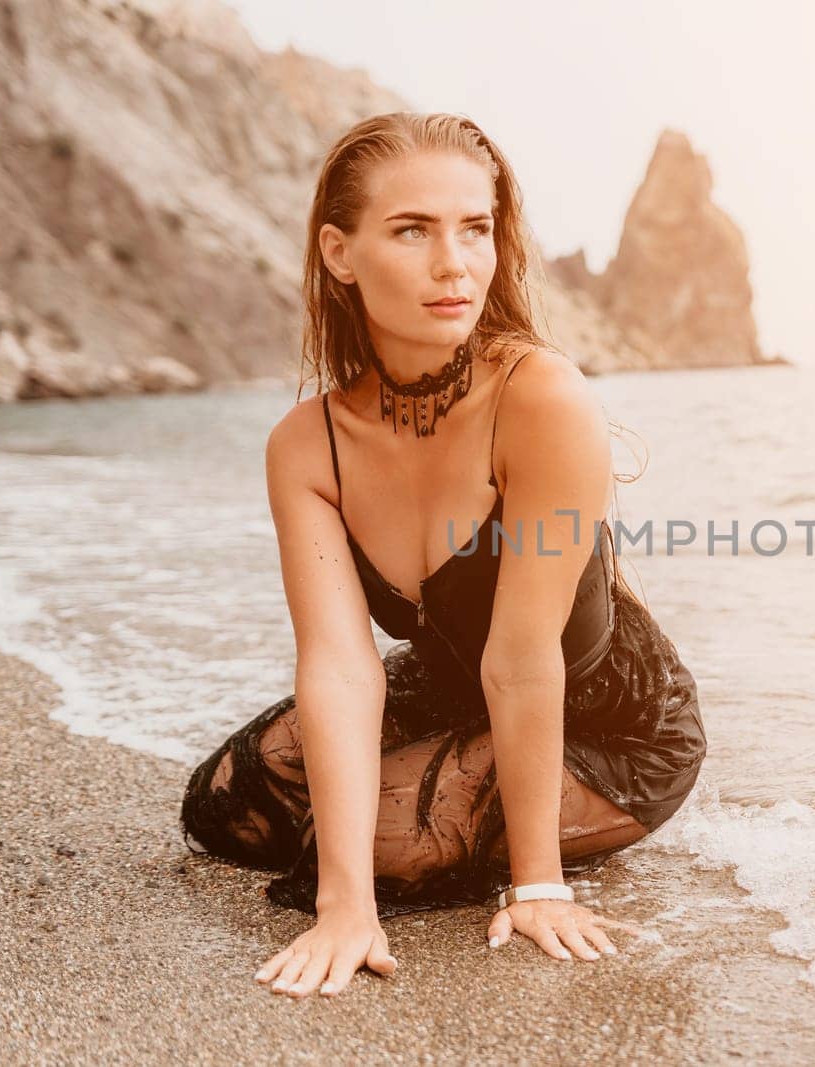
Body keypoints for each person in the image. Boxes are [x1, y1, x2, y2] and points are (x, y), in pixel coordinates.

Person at [177, 112, 707, 998]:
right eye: (412, 230)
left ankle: (510, 825)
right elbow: (341, 667)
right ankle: (400, 818)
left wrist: (538, 885)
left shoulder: (540, 398)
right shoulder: (307, 446)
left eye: (474, 229)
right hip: (446, 689)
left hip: (606, 719)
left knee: (382, 844)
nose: (453, 262)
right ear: (341, 254)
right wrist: (344, 908)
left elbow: (524, 656)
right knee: (229, 798)